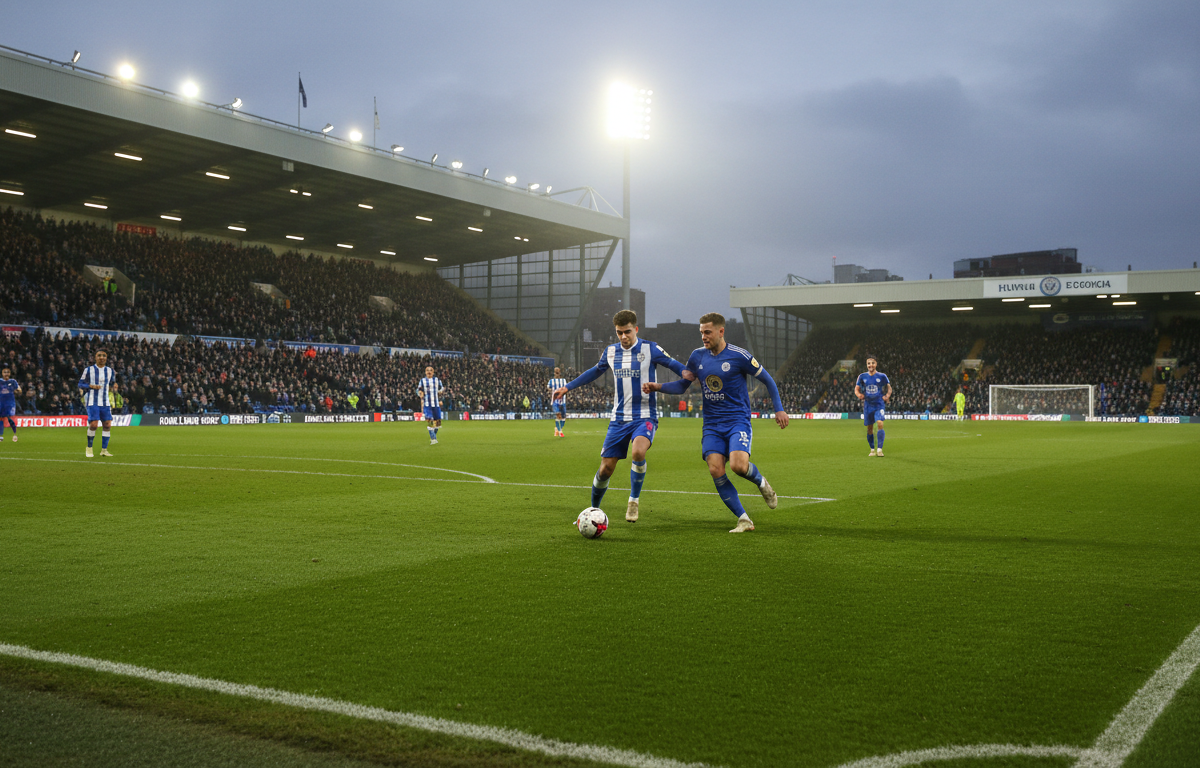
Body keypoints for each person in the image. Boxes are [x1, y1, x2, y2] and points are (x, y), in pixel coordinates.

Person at [644, 313, 786, 533]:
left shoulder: (740, 356)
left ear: (721, 331)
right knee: (715, 469)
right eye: (701, 332)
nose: (703, 336)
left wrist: (779, 409)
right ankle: (743, 519)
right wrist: (658, 386)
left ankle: (762, 483)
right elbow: (683, 385)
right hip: (711, 424)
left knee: (739, 466)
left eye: (707, 332)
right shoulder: (697, 357)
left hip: (737, 421)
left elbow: (767, 379)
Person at [553, 310, 686, 523]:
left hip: (645, 416)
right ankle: (592, 511)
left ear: (636, 329)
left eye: (627, 332)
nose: (623, 337)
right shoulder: (611, 352)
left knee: (638, 452)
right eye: (619, 333)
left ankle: (633, 500)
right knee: (606, 469)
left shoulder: (650, 349)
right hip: (619, 418)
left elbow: (677, 367)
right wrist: (568, 387)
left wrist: (687, 375)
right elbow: (595, 371)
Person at [79, 349, 117, 458]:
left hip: (105, 402)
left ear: (106, 358)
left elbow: (112, 382)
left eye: (104, 355)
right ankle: (89, 448)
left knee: (107, 425)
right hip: (92, 401)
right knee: (94, 425)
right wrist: (91, 386)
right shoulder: (88, 370)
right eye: (99, 355)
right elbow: (80, 384)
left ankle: (104, 450)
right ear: (95, 358)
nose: (101, 357)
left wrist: (114, 387)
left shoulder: (110, 371)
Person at [854, 356, 891, 457]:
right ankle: (872, 449)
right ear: (866, 365)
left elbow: (889, 387)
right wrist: (858, 394)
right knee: (869, 428)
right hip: (868, 405)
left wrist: (887, 396)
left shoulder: (882, 376)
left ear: (876, 364)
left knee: (880, 423)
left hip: (879, 404)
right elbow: (856, 389)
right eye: (869, 363)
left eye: (873, 363)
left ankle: (879, 449)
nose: (871, 365)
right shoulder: (862, 376)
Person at [417, 365, 444, 444]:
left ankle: (433, 435)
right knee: (430, 421)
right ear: (425, 372)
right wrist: (420, 393)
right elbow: (419, 390)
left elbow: (441, 390)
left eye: (430, 370)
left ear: (433, 372)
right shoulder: (422, 381)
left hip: (436, 404)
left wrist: (441, 399)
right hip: (427, 405)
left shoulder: (437, 380)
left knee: (437, 423)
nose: (429, 372)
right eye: (427, 370)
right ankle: (433, 439)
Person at [0, 366, 21, 442]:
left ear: (10, 373)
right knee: (1, 418)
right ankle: (0, 436)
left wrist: (15, 391)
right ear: (2, 373)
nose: (6, 374)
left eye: (7, 372)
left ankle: (15, 435)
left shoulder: (13, 382)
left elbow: (19, 390)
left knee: (10, 418)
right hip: (1, 402)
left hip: (10, 403)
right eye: (4, 372)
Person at [547, 366, 569, 437]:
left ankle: (557, 429)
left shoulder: (564, 380)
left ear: (559, 372)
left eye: (558, 371)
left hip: (563, 401)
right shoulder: (551, 381)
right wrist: (553, 392)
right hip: (555, 401)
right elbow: (548, 387)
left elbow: (566, 389)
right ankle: (560, 432)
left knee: (563, 418)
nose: (556, 373)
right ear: (554, 373)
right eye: (555, 371)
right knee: (557, 415)